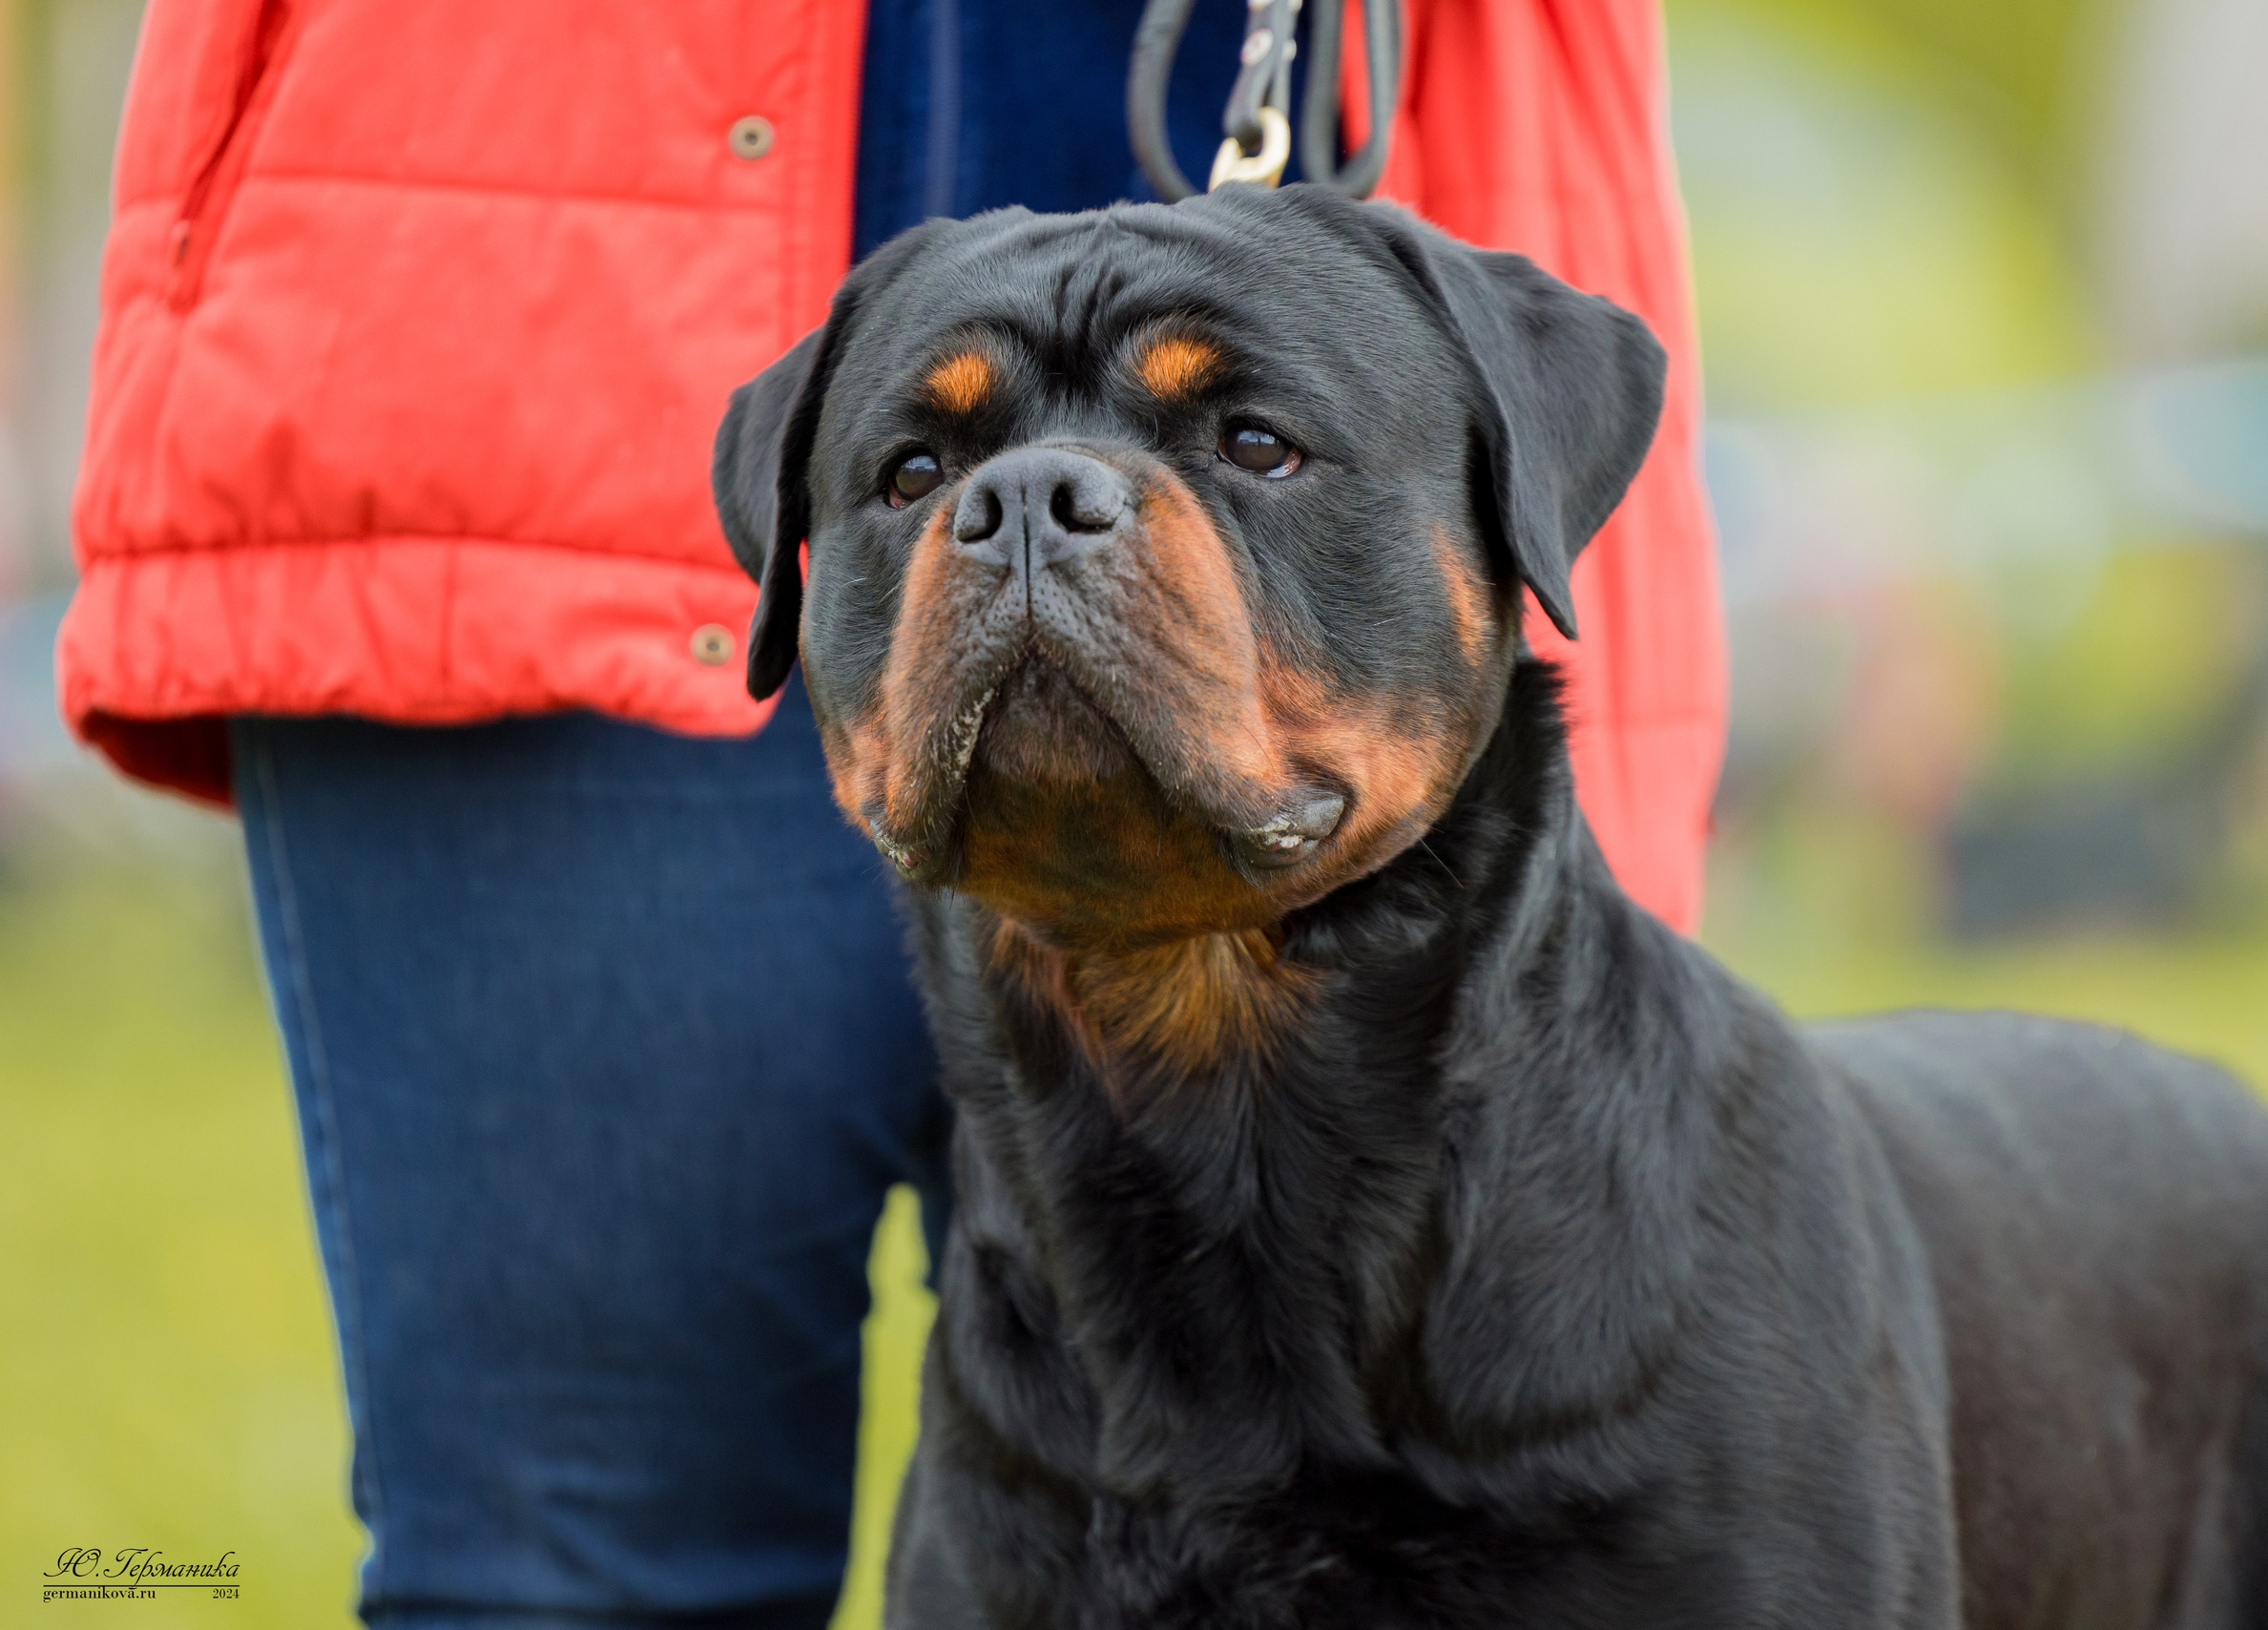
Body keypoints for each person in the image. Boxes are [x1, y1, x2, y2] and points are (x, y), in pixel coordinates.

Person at [58, 0, 1724, 1622]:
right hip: (522, 326)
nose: (1036, 520)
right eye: (933, 485)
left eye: (1246, 445)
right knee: (561, 1569)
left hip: (1343, 123)